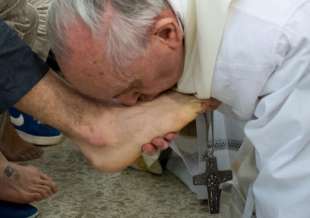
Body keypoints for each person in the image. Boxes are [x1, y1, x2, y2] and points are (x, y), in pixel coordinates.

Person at [47, 0, 310, 218]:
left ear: (167, 34)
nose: (129, 109)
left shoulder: (279, 43)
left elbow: (292, 194)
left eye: (135, 91)